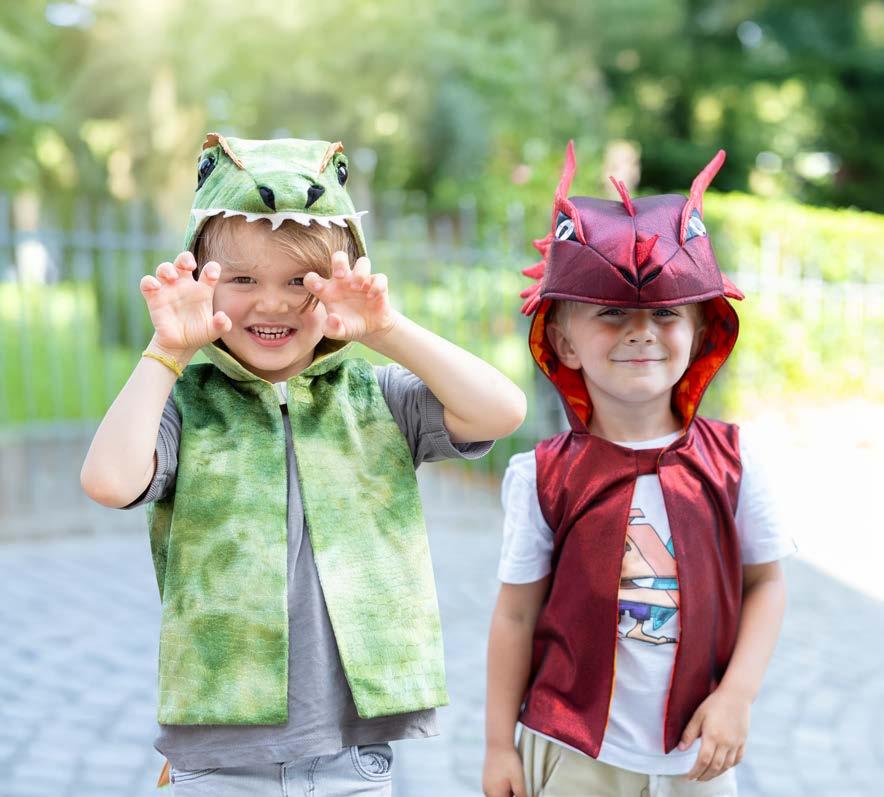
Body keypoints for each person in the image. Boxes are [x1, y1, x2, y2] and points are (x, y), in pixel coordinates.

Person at [80, 133, 527, 795]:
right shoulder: (186, 406)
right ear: (204, 281)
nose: (274, 302)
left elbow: (502, 410)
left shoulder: (379, 398)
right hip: (219, 757)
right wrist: (165, 353)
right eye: (242, 279)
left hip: (350, 754)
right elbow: (109, 481)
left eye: (300, 281)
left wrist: (387, 329)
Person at [482, 143, 795, 797]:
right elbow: (515, 616)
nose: (641, 331)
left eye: (666, 313)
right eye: (611, 313)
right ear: (563, 341)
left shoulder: (737, 463)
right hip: (571, 752)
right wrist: (497, 745)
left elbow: (766, 584)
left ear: (701, 333)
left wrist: (737, 695)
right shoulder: (541, 476)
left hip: (697, 758)